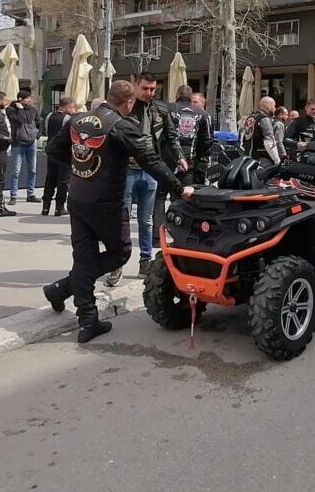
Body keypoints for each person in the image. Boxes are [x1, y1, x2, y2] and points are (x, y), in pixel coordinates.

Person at [43, 80, 193, 344]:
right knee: (120, 252)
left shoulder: (78, 119)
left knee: (84, 256)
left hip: (78, 196)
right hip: (106, 202)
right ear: (129, 102)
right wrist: (179, 189)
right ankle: (65, 290)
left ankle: (85, 317)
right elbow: (151, 160)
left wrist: (82, 167)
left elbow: (52, 149)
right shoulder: (122, 126)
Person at [108, 75, 166, 285]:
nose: (149, 92)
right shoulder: (125, 109)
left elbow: (169, 137)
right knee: (121, 219)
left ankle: (145, 261)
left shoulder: (159, 110)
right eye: (145, 88)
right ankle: (117, 265)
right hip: (128, 170)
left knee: (146, 220)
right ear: (136, 87)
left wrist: (177, 159)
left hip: (149, 170)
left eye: (152, 89)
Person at [169, 84, 213, 184]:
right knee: (187, 194)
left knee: (160, 195)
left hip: (168, 162)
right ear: (190, 97)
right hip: (189, 162)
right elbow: (207, 140)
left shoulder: (167, 109)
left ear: (177, 95)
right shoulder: (202, 115)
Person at [6, 91, 42, 205]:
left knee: (33, 170)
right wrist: (20, 109)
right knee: (16, 171)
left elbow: (39, 122)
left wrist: (38, 134)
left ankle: (31, 194)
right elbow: (20, 120)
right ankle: (13, 195)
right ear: (20, 99)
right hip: (18, 143)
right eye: (27, 99)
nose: (29, 100)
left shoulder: (33, 110)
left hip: (31, 143)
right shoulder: (11, 109)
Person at [41, 97, 75, 217]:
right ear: (68, 107)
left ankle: (45, 207)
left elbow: (46, 131)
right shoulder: (68, 119)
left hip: (51, 151)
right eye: (73, 108)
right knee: (63, 181)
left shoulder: (49, 116)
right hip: (64, 153)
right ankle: (59, 208)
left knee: (50, 179)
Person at [243, 96, 281, 166]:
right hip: (261, 160)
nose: (275, 109)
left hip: (247, 158)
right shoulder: (264, 118)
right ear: (269, 106)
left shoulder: (250, 118)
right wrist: (277, 160)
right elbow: (269, 142)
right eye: (274, 106)